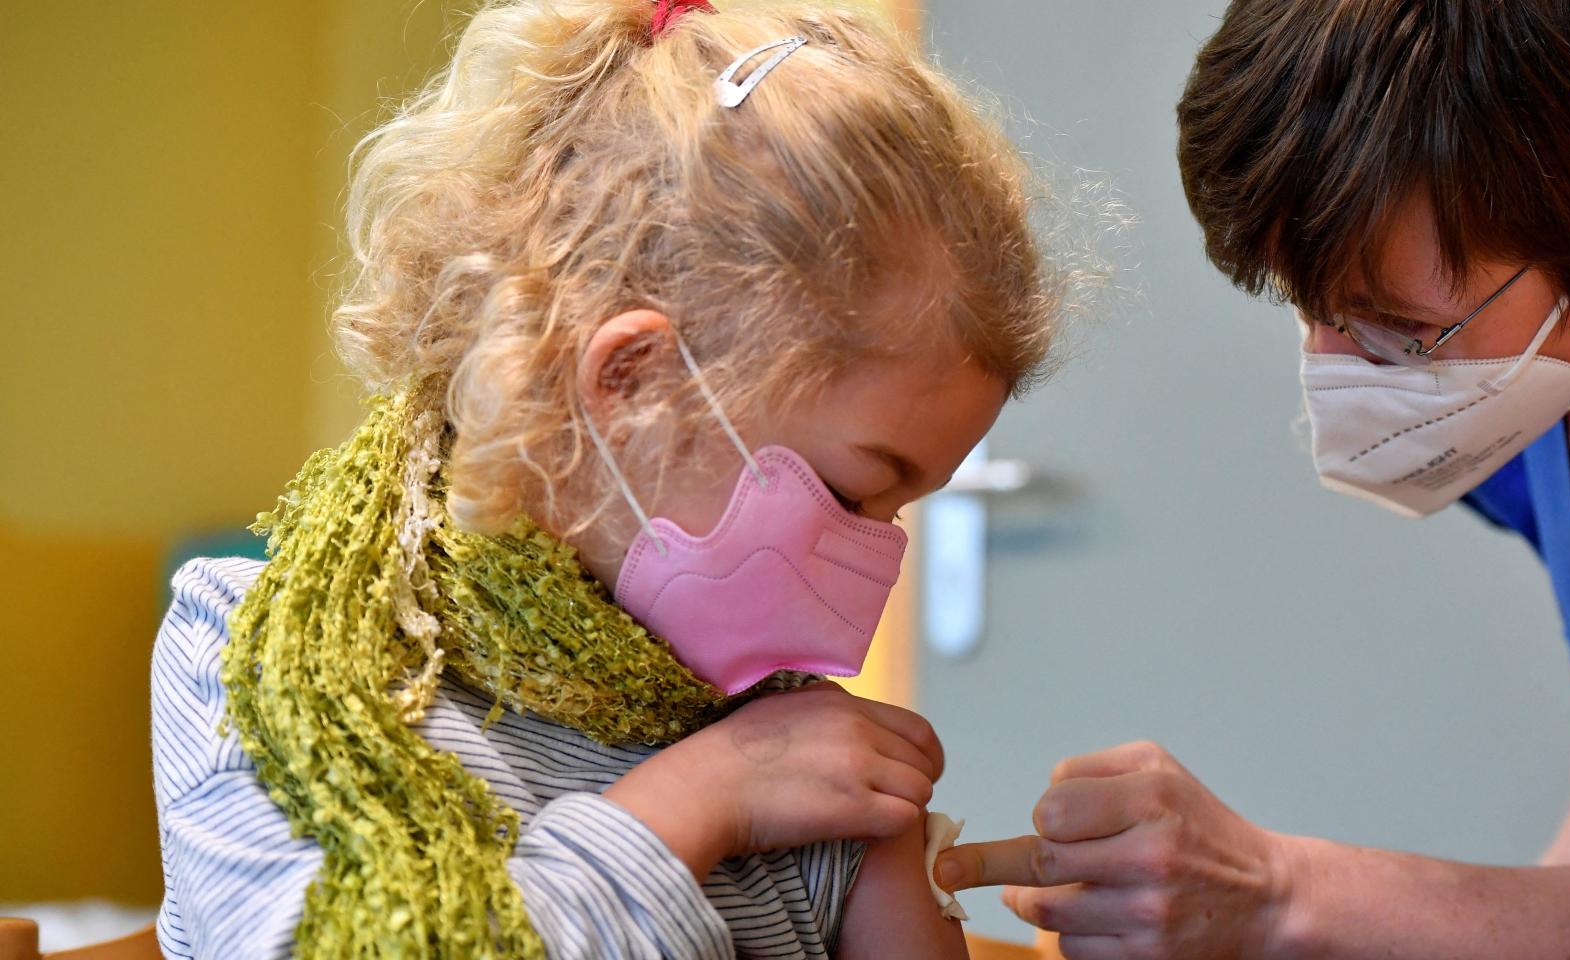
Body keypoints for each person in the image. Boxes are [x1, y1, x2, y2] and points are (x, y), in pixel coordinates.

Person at [148, 0, 1064, 956]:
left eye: (901, 509)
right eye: (849, 491)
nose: (874, 563)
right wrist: (702, 798)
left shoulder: (801, 744)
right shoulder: (257, 654)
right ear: (632, 382)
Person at [933, 2, 1570, 957]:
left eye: (1397, 328)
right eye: (1313, 308)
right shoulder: (1550, 371)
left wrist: (1280, 893)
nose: (1337, 367)